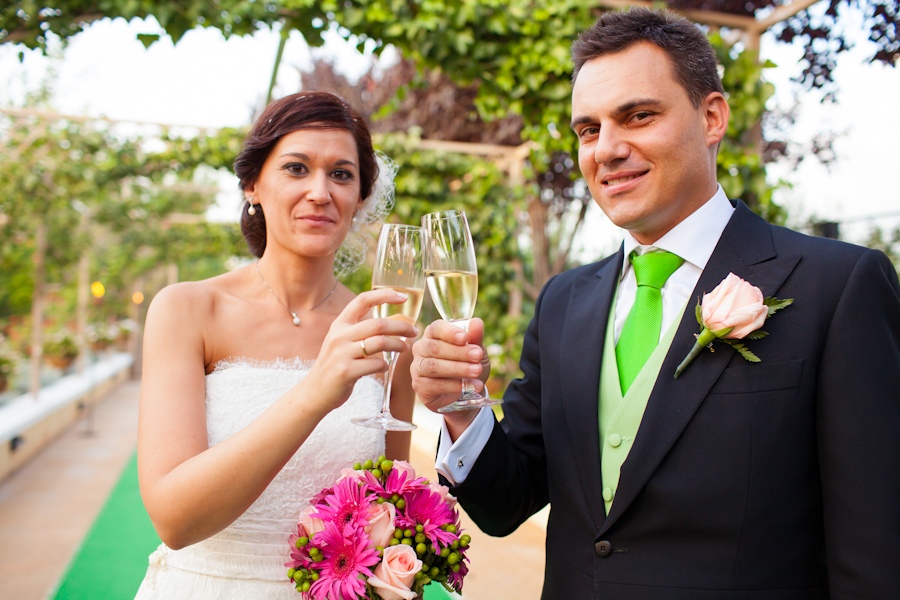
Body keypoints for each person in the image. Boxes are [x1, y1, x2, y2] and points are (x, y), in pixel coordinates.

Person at [411, 8, 900, 599]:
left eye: (637, 116)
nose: (607, 149)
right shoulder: (563, 302)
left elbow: (875, 552)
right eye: (588, 130)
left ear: (712, 117)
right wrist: (460, 409)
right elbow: (507, 502)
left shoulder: (839, 287)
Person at [135, 91, 418, 598]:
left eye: (341, 174)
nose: (320, 192)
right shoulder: (187, 310)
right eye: (296, 168)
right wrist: (315, 393)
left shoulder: (383, 332)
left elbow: (391, 511)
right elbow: (173, 520)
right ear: (253, 185)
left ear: (360, 198)